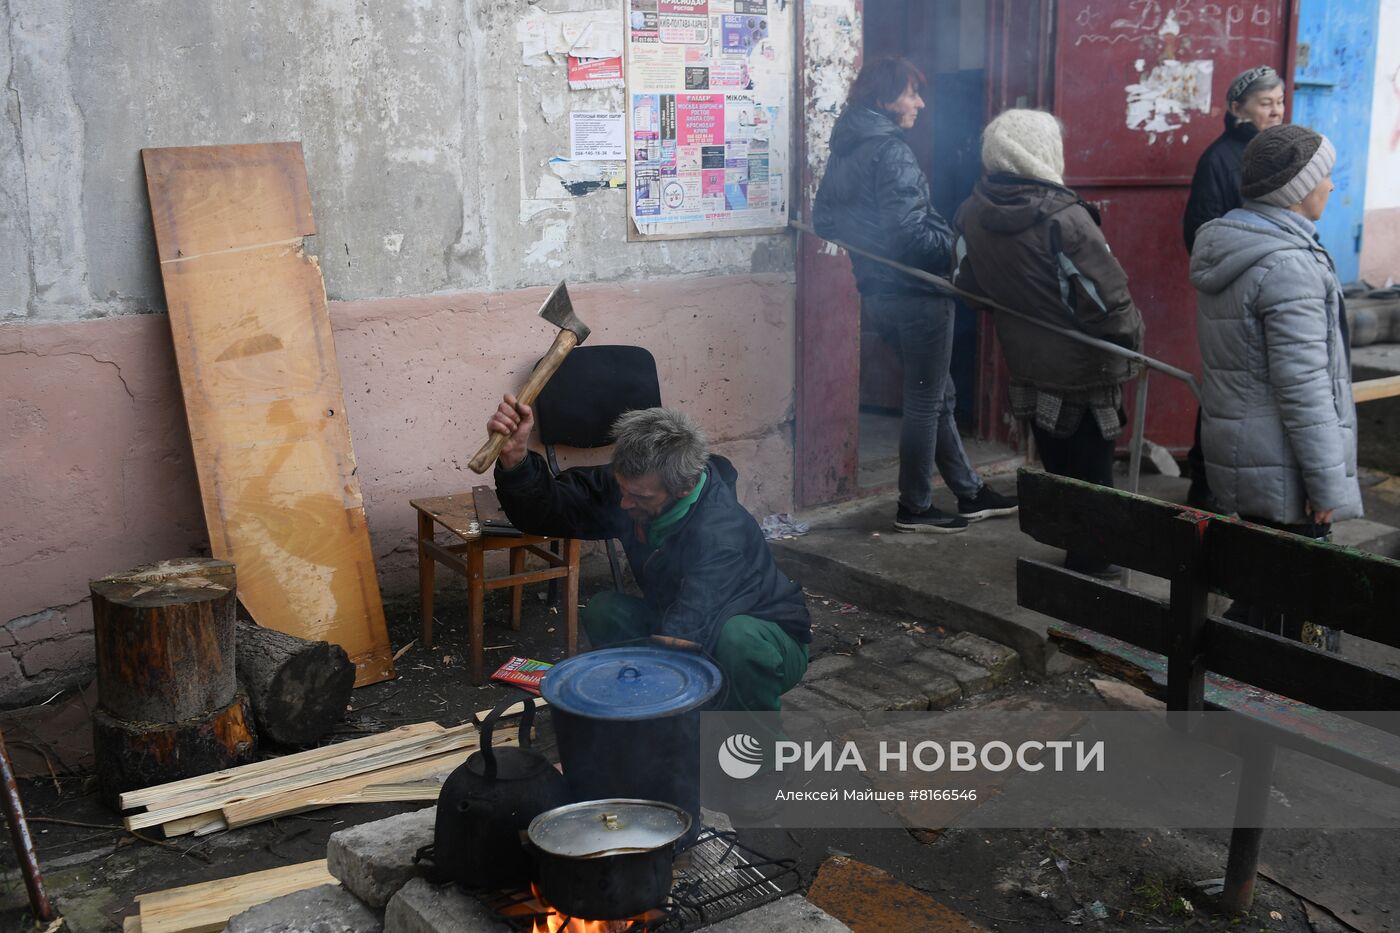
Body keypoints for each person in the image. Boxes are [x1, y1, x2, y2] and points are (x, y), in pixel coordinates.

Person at [485, 396, 811, 712]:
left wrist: (622, 693)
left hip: (766, 641)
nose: (624, 504)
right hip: (676, 621)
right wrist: (516, 458)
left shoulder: (721, 536)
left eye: (639, 497)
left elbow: (686, 632)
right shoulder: (637, 484)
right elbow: (552, 509)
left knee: (738, 641)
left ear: (682, 488)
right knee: (606, 611)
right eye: (622, 490)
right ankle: (636, 717)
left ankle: (748, 752)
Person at [813, 54, 1017, 534]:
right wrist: (959, 248)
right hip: (918, 292)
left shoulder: (847, 144)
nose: (920, 103)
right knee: (926, 400)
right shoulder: (890, 150)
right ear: (885, 98)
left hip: (879, 291)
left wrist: (869, 251)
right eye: (911, 92)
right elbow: (910, 237)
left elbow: (825, 220)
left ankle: (968, 492)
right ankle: (916, 506)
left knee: (937, 394)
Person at [954, 109, 1144, 578]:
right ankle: (1095, 564)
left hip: (1028, 363)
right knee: (1095, 472)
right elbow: (1110, 303)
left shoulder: (971, 211)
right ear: (1041, 152)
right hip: (1085, 369)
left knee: (1058, 463)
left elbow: (968, 286)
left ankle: (1075, 552)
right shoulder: (1065, 218)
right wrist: (1132, 344)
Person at [1190, 124, 1359, 644]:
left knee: (1265, 591)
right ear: (1297, 188)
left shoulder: (1234, 244)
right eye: (1324, 176)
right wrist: (1327, 485)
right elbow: (1305, 389)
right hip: (1287, 471)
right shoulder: (1288, 267)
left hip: (1246, 458)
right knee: (1294, 613)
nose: (1331, 186)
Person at [1182, 66, 1286, 510]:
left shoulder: (1282, 152)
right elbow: (1200, 233)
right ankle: (1204, 483)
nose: (1276, 111)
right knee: (1227, 391)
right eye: (1266, 103)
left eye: (1279, 102)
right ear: (1236, 108)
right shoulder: (1220, 158)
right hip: (1236, 293)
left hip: (1278, 289)